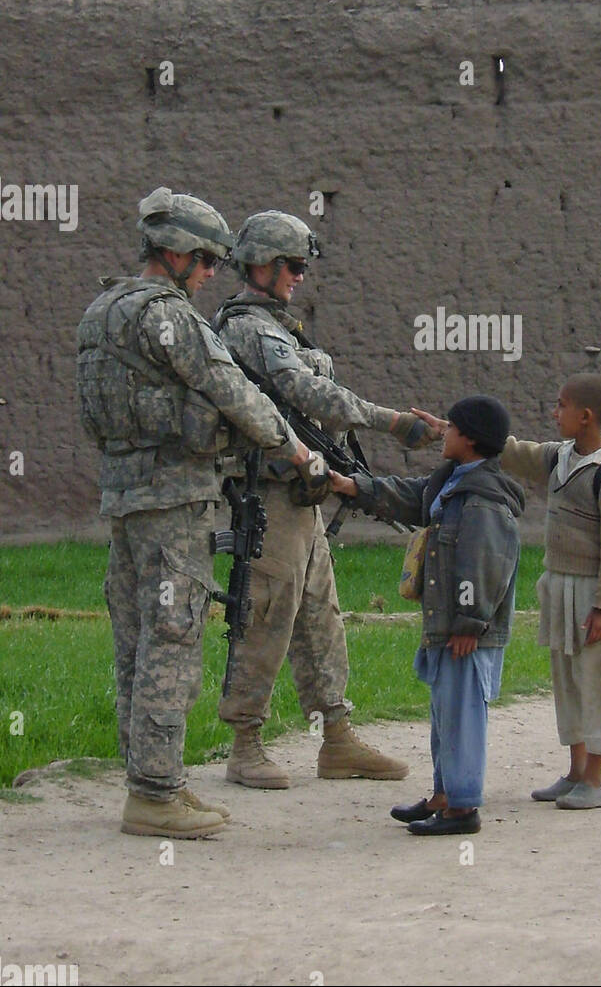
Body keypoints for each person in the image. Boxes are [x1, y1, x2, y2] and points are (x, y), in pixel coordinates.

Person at [76, 188, 312, 838]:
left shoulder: (101, 311)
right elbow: (229, 388)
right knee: (173, 640)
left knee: (135, 641)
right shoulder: (168, 315)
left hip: (123, 499)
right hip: (175, 503)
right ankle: (157, 795)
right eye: (206, 259)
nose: (212, 272)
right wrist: (290, 444)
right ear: (175, 252)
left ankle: (142, 778)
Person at [212, 211, 437, 788]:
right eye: (292, 265)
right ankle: (245, 743)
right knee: (265, 614)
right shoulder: (250, 329)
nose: (300, 277)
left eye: (303, 267)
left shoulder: (279, 326)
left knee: (319, 617)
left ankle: (335, 736)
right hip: (269, 498)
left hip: (301, 496)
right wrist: (393, 423)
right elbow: (310, 393)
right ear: (261, 265)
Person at [418, 375, 601, 809]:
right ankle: (575, 771)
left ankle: (595, 779)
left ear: (586, 416)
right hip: (560, 588)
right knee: (569, 682)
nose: (553, 414)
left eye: (560, 406)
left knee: (599, 683)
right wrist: (452, 427)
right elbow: (513, 451)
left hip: (594, 594)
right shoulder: (562, 457)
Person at [330, 395, 524, 835]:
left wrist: (471, 622)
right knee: (445, 716)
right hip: (447, 628)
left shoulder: (483, 500)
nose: (444, 434)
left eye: (451, 428)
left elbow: (487, 562)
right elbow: (411, 496)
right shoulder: (453, 483)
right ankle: (443, 794)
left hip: (465, 632)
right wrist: (354, 487)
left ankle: (462, 808)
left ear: (469, 440)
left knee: (462, 717)